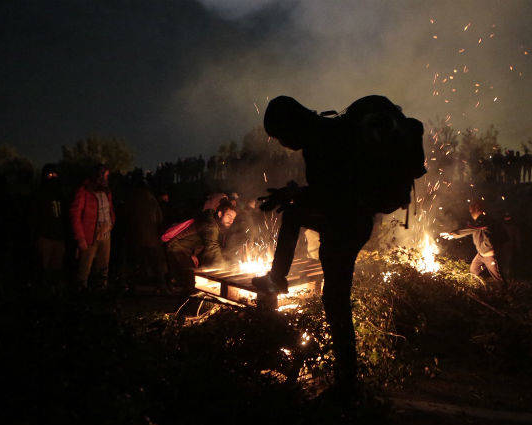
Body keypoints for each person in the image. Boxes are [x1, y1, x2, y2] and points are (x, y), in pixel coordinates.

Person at [251, 95, 425, 400]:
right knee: (335, 300)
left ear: (291, 125)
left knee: (335, 301)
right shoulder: (330, 130)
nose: (281, 143)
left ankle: (347, 385)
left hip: (346, 224)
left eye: (279, 135)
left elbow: (331, 196)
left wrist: (294, 198)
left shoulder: (320, 142)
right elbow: (329, 189)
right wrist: (293, 194)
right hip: (350, 221)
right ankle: (346, 380)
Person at [165, 199, 236, 293]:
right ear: (219, 214)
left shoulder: (211, 221)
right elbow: (212, 247)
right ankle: (180, 295)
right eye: (228, 216)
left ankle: (173, 284)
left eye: (233, 218)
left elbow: (197, 238)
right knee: (191, 279)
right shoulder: (211, 226)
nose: (231, 220)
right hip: (177, 248)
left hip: (183, 248)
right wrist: (223, 269)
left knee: (190, 275)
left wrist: (193, 254)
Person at [70, 164, 115, 290]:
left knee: (103, 267)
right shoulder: (84, 191)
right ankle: (82, 294)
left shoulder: (106, 191)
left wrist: (110, 224)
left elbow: (110, 210)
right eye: (105, 176)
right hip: (90, 235)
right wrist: (80, 238)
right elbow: (76, 214)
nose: (107, 178)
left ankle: (101, 293)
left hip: (106, 234)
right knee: (85, 268)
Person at [441, 202, 506, 286]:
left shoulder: (484, 220)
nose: (471, 214)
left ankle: (505, 293)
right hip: (480, 254)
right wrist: (455, 235)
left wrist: (454, 234)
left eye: (472, 211)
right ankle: (479, 286)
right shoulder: (478, 222)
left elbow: (471, 229)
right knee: (473, 270)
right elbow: (472, 229)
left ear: (477, 210)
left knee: (498, 277)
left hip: (489, 255)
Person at [124, 173, 167, 288]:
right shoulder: (150, 197)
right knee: (156, 260)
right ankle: (160, 284)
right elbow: (159, 217)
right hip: (151, 235)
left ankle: (138, 284)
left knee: (140, 260)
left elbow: (127, 216)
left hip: (137, 235)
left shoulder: (131, 197)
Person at [31, 163, 67, 287]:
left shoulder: (61, 195)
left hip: (59, 238)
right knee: (43, 269)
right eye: (50, 175)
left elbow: (65, 216)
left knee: (56, 270)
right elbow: (34, 217)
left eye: (55, 174)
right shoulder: (39, 195)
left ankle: (54, 294)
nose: (53, 177)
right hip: (45, 237)